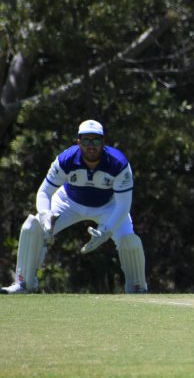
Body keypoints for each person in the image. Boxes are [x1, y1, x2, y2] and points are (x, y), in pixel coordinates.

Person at [1, 120, 148, 294]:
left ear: (103, 142)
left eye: (96, 140)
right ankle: (24, 284)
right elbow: (44, 192)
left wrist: (106, 230)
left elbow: (123, 205)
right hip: (68, 202)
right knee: (33, 227)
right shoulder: (65, 160)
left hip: (109, 206)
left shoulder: (119, 164)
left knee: (129, 240)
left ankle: (137, 288)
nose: (91, 146)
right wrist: (45, 215)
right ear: (78, 142)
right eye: (86, 140)